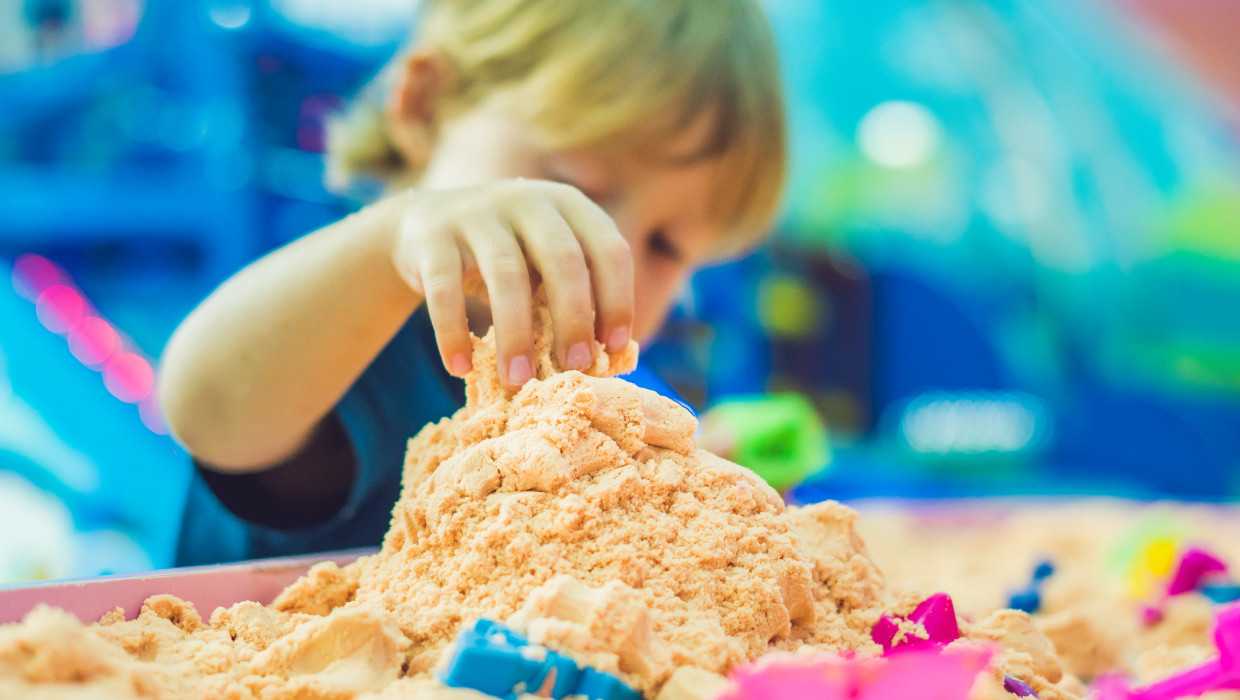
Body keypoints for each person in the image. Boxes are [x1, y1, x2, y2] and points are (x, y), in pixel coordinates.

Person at [160, 0, 786, 566]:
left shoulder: (600, 396)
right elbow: (207, 408)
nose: (606, 249)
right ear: (427, 105)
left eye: (666, 246)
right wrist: (394, 237)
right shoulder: (352, 335)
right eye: (575, 184)